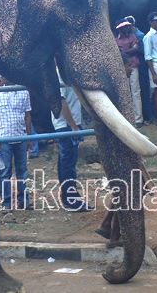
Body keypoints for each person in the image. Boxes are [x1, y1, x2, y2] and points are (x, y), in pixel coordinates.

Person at [0, 75, 33, 212]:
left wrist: (29, 137)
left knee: (22, 171)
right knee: (5, 172)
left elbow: (27, 115)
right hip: (4, 138)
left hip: (20, 136)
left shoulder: (23, 91)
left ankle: (23, 200)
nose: (2, 78)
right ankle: (6, 202)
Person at [51, 68, 91, 212]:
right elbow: (61, 101)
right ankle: (72, 199)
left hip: (70, 124)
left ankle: (67, 197)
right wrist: (73, 126)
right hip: (67, 125)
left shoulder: (67, 74)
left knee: (64, 162)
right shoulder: (59, 75)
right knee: (68, 162)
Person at [125, 16, 154, 124]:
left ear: (132, 25)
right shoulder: (130, 36)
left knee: (143, 91)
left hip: (142, 65)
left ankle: (147, 116)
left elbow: (145, 52)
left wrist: (134, 51)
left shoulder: (139, 35)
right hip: (135, 65)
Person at [115, 20, 143, 128]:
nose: (127, 29)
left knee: (135, 91)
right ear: (120, 29)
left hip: (133, 66)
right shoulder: (116, 40)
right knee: (124, 92)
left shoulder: (133, 37)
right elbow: (131, 50)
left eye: (127, 26)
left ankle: (138, 118)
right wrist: (128, 51)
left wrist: (121, 53)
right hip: (121, 68)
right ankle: (127, 118)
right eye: (124, 27)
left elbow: (134, 50)